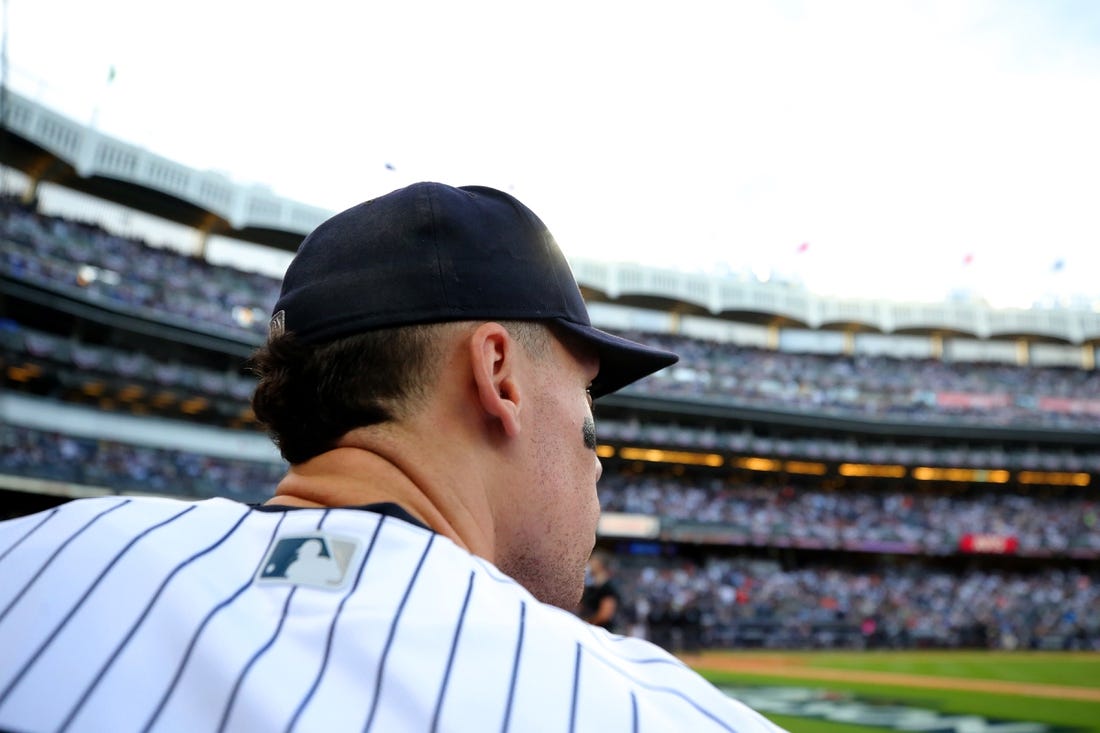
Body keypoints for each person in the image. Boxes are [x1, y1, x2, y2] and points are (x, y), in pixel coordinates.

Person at [0, 182, 786, 732]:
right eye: (588, 397)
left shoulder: (28, 556)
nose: (597, 452)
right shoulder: (636, 706)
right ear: (499, 375)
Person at [579, 550, 621, 633]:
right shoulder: (591, 586)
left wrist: (588, 624)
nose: (589, 563)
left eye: (593, 560)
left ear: (600, 565)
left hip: (601, 632)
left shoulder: (609, 588)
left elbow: (604, 615)